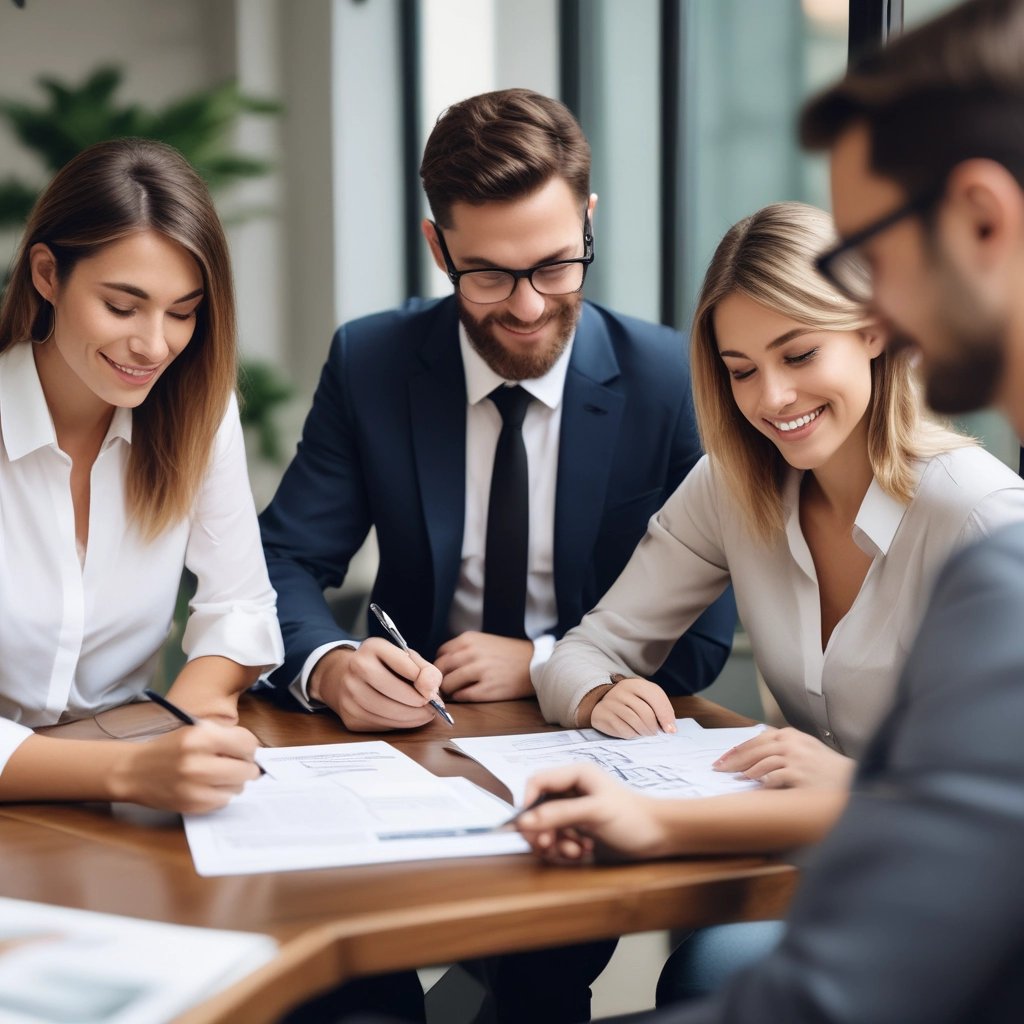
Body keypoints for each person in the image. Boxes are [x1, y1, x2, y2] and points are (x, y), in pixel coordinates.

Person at [518, 1, 1024, 1021]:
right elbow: (586, 649)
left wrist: (847, 789)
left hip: (901, 904)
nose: (772, 400)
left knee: (710, 972)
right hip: (791, 862)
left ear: (867, 333)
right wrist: (611, 739)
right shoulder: (737, 483)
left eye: (799, 355)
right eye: (742, 370)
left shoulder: (979, 522)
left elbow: (974, 830)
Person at [261, 87, 734, 1024]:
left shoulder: (670, 380)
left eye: (557, 266)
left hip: (589, 756)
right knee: (353, 990)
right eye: (488, 275)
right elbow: (278, 564)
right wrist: (330, 665)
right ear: (439, 247)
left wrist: (548, 659)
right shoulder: (374, 361)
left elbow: (702, 640)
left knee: (542, 983)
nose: (525, 307)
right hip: (403, 753)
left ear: (588, 220)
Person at [0, 138, 283, 814]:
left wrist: (184, 727)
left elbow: (239, 609)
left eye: (182, 312)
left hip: (127, 796)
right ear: (47, 275)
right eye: (122, 307)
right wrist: (128, 769)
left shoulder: (195, 409)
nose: (154, 345)